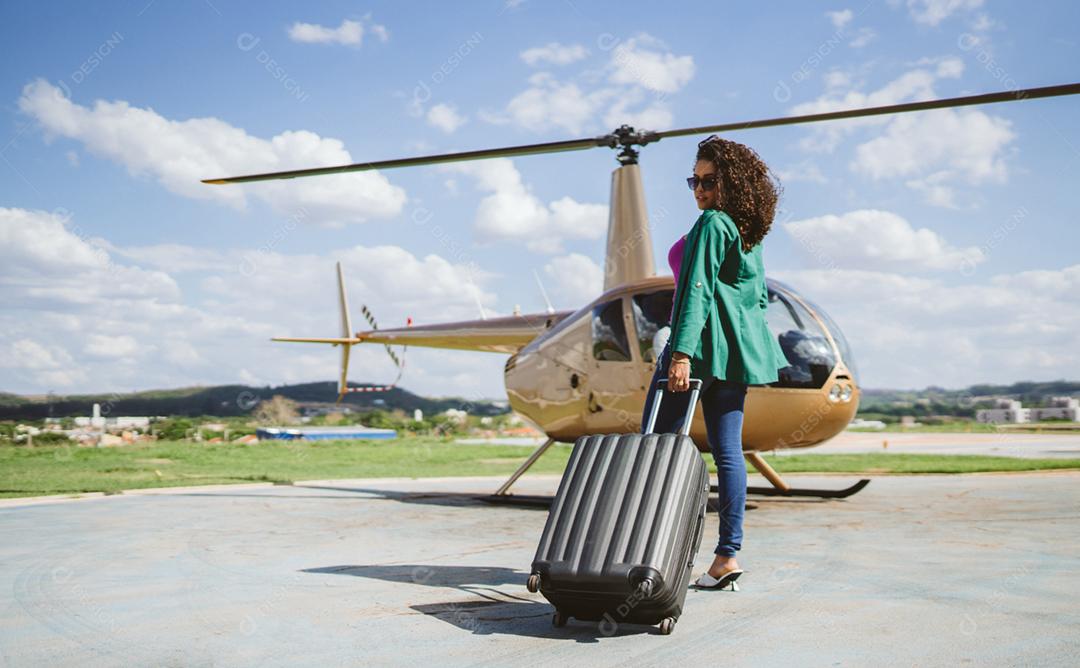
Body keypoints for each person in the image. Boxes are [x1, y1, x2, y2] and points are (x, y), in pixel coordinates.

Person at [640, 134, 786, 590]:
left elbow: (697, 290)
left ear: (733, 182)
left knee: (654, 447)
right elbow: (756, 300)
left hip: (697, 351)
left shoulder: (711, 225)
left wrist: (681, 353)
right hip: (733, 356)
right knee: (728, 454)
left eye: (710, 180)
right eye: (694, 181)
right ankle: (727, 556)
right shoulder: (751, 232)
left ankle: (645, 549)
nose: (699, 190)